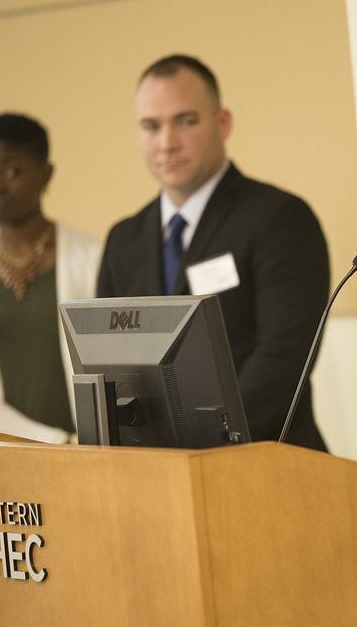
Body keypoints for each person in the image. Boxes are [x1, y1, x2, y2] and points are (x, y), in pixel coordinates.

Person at [97, 54, 330, 451]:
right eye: (151, 126)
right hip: (153, 473)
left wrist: (194, 444)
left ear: (223, 123)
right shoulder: (124, 239)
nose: (167, 143)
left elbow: (282, 360)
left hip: (264, 464)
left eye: (186, 121)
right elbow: (105, 364)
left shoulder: (280, 218)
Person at [0, 113, 102, 444]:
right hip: (10, 462)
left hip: (91, 455)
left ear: (46, 175)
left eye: (12, 172)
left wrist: (76, 447)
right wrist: (54, 442)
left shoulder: (94, 259)